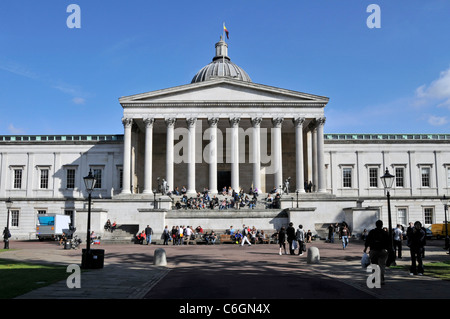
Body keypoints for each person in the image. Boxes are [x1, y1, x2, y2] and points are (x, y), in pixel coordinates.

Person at [364, 220, 390, 285]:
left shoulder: (372, 232)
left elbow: (368, 240)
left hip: (374, 250)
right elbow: (388, 242)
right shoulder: (385, 233)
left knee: (374, 265)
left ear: (376, 225)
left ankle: (375, 278)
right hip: (383, 250)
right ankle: (381, 279)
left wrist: (366, 248)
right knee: (382, 265)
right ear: (382, 225)